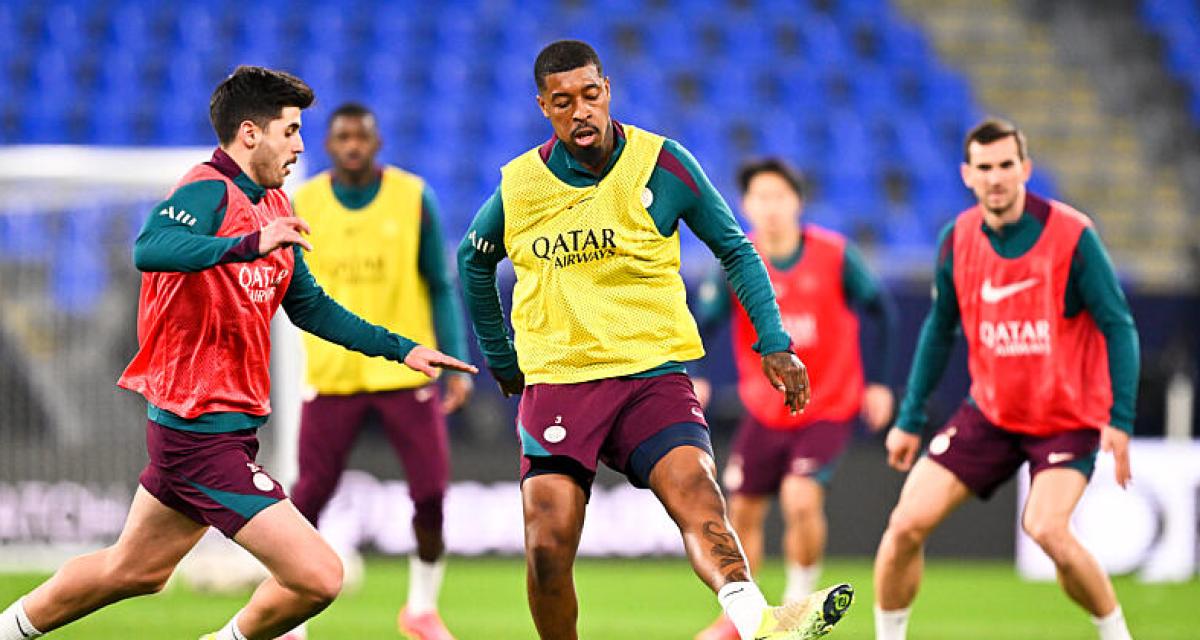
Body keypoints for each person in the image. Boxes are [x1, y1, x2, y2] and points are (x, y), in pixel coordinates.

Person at [0, 66, 475, 640]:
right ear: (250, 133)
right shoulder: (206, 189)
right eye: (291, 131)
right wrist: (247, 244)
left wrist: (403, 349)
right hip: (199, 432)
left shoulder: (274, 203)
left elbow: (311, 307)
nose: (301, 146)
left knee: (135, 570)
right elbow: (151, 247)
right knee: (318, 576)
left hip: (218, 428)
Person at [457, 40, 853, 640]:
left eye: (590, 95)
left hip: (652, 375)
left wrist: (774, 341)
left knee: (698, 492)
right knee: (546, 543)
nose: (580, 111)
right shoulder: (521, 185)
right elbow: (473, 260)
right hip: (560, 381)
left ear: (607, 90)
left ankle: (758, 623)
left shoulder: (663, 164)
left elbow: (735, 249)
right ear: (543, 107)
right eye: (563, 102)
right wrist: (500, 357)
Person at [872, 118, 1139, 640]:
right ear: (967, 175)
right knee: (904, 525)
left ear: (1025, 169)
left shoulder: (1071, 235)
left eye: (1005, 165)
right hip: (990, 414)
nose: (995, 178)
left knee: (1046, 528)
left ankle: (1116, 634)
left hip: (1065, 419)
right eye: (985, 167)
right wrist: (910, 418)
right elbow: (939, 330)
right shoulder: (957, 239)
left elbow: (1119, 325)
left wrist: (1121, 417)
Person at [285, 102, 472, 640]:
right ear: (328, 145)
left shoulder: (412, 197)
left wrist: (456, 361)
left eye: (361, 137)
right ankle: (289, 615)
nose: (352, 146)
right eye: (342, 137)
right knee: (307, 498)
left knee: (431, 494)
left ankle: (421, 609)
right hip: (333, 373)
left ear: (377, 142)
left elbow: (440, 284)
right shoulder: (304, 201)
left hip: (405, 375)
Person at [692, 158, 897, 640]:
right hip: (764, 410)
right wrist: (695, 374)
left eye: (779, 196)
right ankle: (744, 616)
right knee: (742, 511)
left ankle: (798, 607)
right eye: (760, 197)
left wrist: (880, 382)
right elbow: (703, 323)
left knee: (800, 498)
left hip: (826, 405)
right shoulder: (738, 262)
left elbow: (882, 311)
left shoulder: (834, 255)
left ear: (797, 202)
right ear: (745, 205)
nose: (770, 207)